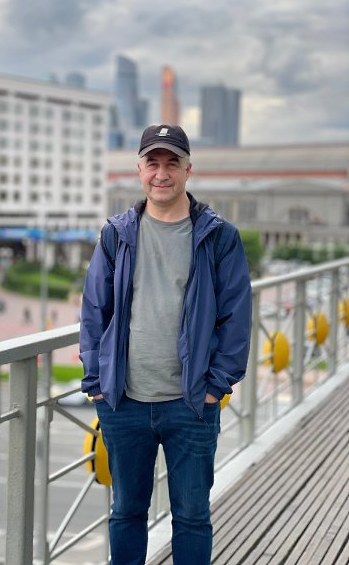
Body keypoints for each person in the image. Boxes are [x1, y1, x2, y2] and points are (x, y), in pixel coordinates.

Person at [80, 124, 252, 565]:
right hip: (123, 403)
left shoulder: (218, 236)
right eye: (152, 163)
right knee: (126, 513)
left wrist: (216, 386)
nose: (161, 173)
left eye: (171, 163)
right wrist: (97, 382)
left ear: (188, 170)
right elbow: (94, 311)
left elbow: (236, 318)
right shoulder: (116, 234)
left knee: (192, 517)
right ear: (139, 170)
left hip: (191, 403)